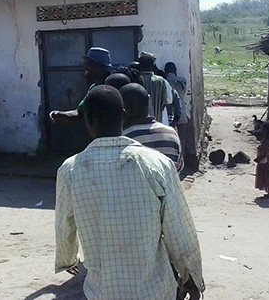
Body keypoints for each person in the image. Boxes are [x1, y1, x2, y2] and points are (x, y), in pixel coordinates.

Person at [54, 85, 204, 300]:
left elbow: (64, 224)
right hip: (155, 291)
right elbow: (178, 228)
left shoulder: (70, 170)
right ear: (124, 115)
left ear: (87, 119)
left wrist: (67, 258)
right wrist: (190, 278)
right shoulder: (156, 164)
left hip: (102, 292)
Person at [119, 83, 183, 172]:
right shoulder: (171, 133)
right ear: (149, 101)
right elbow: (178, 168)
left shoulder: (124, 137)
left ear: (127, 108)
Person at [49, 47, 112, 123]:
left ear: (102, 67)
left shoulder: (113, 86)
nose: (85, 67)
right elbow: (79, 113)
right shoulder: (93, 88)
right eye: (85, 63)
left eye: (90, 64)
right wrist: (58, 114)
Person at [138, 52, 172, 124]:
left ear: (139, 66)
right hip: (158, 123)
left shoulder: (136, 80)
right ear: (153, 66)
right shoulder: (161, 81)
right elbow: (169, 100)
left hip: (140, 125)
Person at [254, 120, 269, 199]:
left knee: (268, 177)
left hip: (266, 163)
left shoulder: (266, 143)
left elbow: (266, 153)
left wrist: (259, 158)